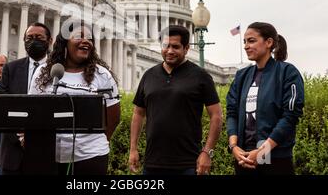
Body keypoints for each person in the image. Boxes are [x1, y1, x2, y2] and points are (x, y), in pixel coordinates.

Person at [29, 20, 120, 175]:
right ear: (64, 42)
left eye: (90, 38)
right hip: (49, 155)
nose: (86, 41)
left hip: (91, 155)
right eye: (79, 36)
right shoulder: (44, 72)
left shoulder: (102, 74)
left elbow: (113, 116)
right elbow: (33, 111)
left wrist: (93, 143)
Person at [129, 25, 222, 175]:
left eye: (175, 47)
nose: (170, 51)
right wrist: (133, 149)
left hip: (188, 164)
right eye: (166, 46)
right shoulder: (149, 75)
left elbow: (216, 116)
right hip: (152, 163)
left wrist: (207, 152)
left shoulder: (200, 76)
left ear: (186, 48)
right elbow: (138, 114)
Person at [226, 22, 304, 175]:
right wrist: (234, 147)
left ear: (269, 42)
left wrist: (263, 151)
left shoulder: (288, 72)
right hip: (244, 159)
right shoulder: (242, 76)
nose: (246, 46)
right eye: (245, 41)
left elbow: (290, 116)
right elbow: (231, 112)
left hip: (276, 159)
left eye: (251, 40)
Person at [0, 22, 52, 175]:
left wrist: (35, 135)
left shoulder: (58, 70)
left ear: (50, 41)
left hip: (45, 150)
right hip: (12, 151)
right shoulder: (11, 68)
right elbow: (3, 105)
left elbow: (57, 109)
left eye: (39, 37)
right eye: (29, 38)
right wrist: (20, 135)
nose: (33, 41)